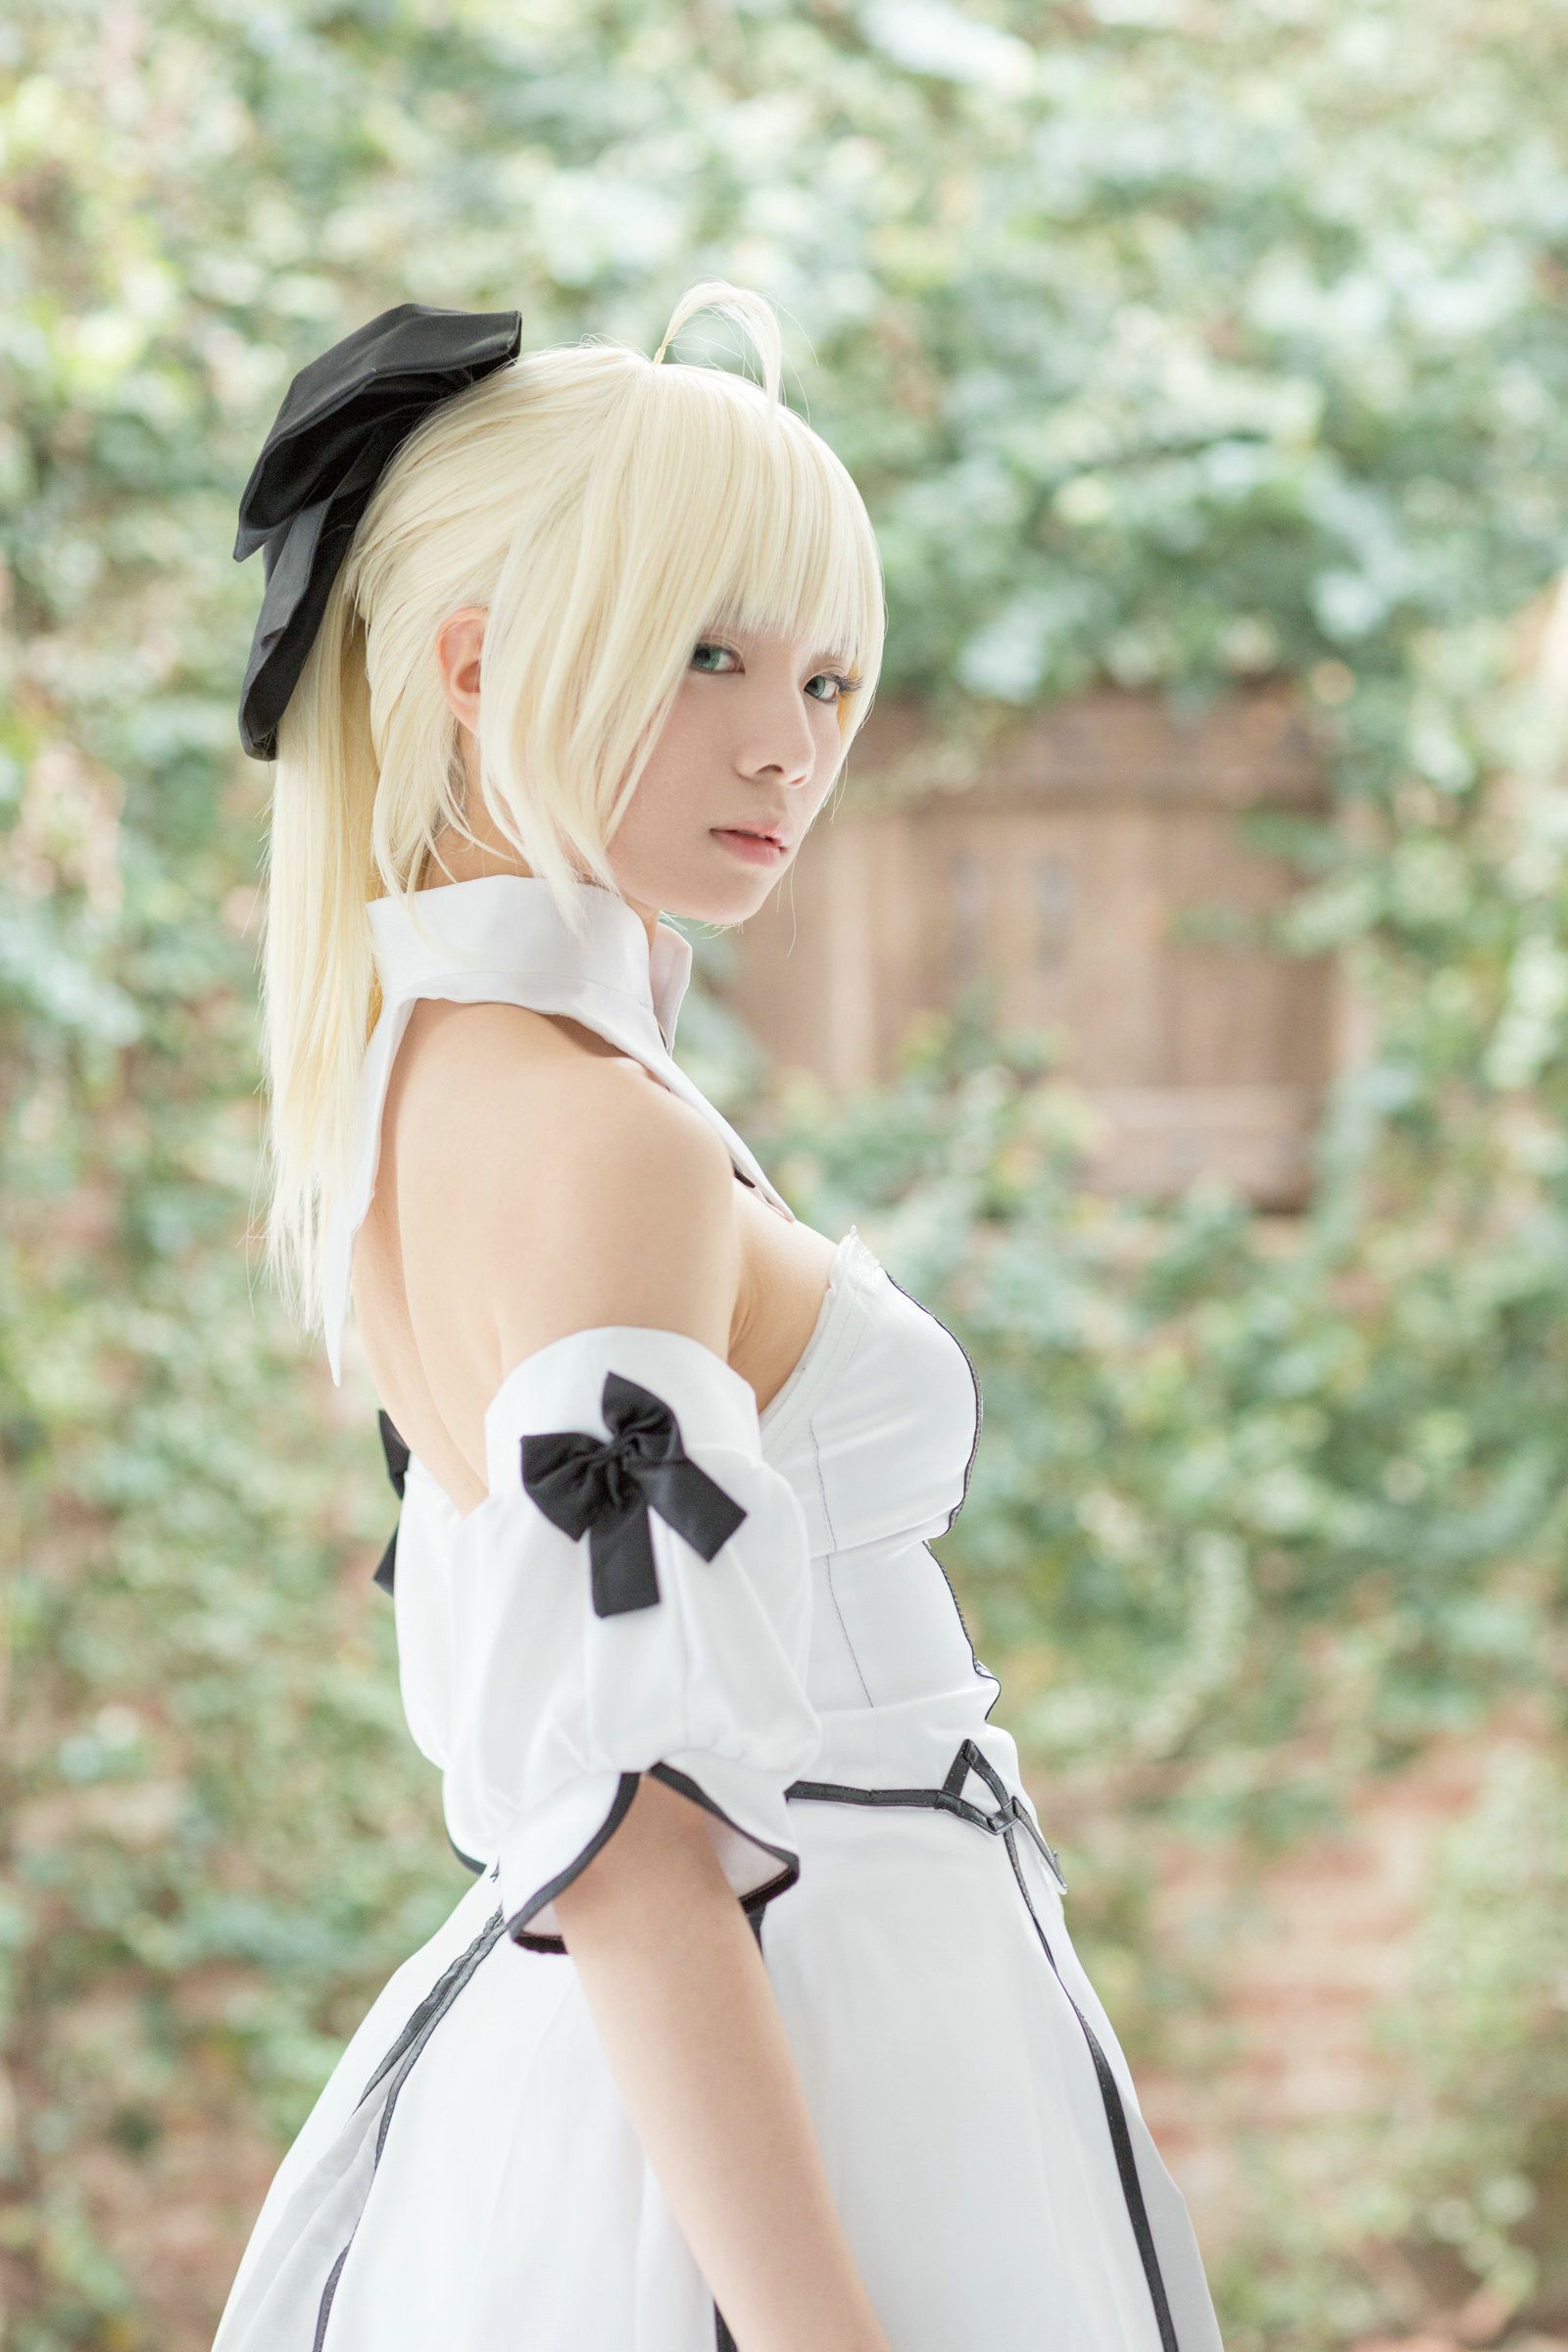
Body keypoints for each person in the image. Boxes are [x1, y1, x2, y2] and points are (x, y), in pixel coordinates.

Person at [212, 282, 1227, 2352]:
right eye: (708, 655)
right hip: (798, 2064)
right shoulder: (593, 1136)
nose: (791, 742)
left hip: (744, 2055)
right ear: (475, 667)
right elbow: (631, 1841)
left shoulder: (450, 1084)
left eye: (829, 677)